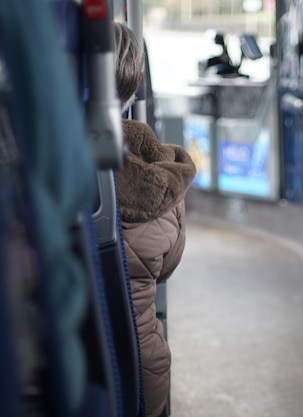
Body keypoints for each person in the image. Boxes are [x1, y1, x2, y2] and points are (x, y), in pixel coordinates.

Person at [113, 22, 196, 417]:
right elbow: (165, 269)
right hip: (141, 372)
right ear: (139, 82)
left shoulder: (35, 166)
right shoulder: (164, 179)